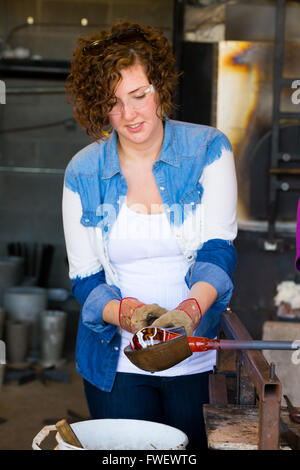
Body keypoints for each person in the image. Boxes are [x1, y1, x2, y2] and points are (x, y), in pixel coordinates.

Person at [62, 20, 237, 450]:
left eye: (139, 96)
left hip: (194, 357)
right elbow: (84, 280)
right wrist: (129, 314)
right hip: (115, 363)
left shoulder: (208, 149)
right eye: (114, 103)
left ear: (158, 85)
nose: (130, 115)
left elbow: (218, 249)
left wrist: (190, 311)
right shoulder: (82, 171)